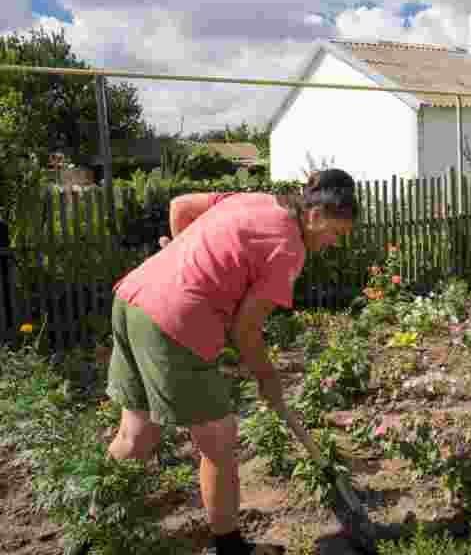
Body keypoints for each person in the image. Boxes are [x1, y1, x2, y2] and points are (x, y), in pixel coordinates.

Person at [74, 168, 359, 555]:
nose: (332, 244)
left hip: (133, 299)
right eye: (335, 233)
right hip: (174, 322)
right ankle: (230, 548)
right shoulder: (289, 250)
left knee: (136, 436)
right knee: (219, 443)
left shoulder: (256, 200)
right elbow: (246, 330)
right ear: (315, 215)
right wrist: (268, 379)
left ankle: (88, 533)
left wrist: (185, 261)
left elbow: (181, 206)